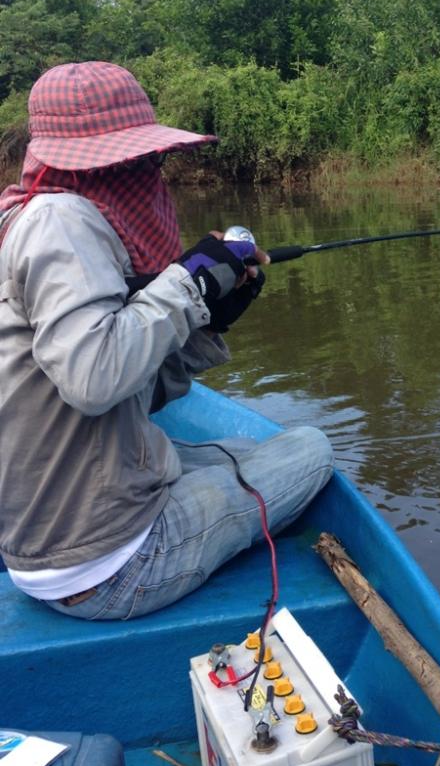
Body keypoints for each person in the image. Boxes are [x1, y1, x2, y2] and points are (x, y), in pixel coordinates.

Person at [0, 60, 333, 620]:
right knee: (310, 450)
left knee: (252, 453)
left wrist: (209, 320)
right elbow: (95, 378)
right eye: (140, 158)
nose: (149, 170)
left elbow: (133, 391)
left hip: (46, 531)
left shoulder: (21, 217)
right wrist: (191, 282)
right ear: (106, 161)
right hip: (110, 565)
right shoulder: (63, 218)